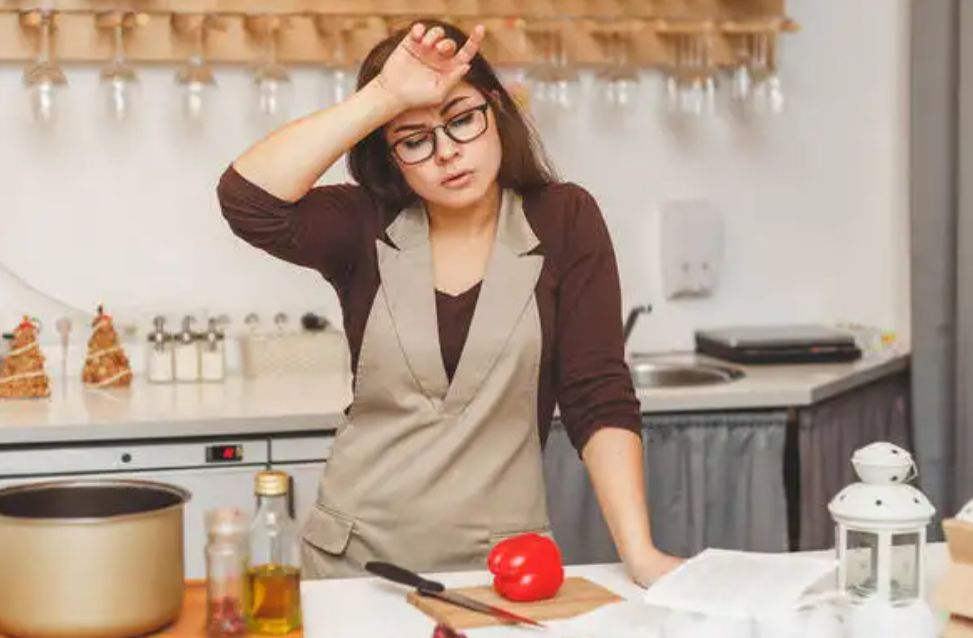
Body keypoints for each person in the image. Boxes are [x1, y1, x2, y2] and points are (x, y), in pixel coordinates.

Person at [217, 19, 683, 587]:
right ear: (391, 157)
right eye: (414, 139)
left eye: (462, 120)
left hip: (504, 567)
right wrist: (384, 98)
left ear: (497, 110)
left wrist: (640, 554)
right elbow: (247, 200)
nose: (447, 153)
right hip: (355, 563)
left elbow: (597, 395)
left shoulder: (563, 219)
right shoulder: (365, 223)